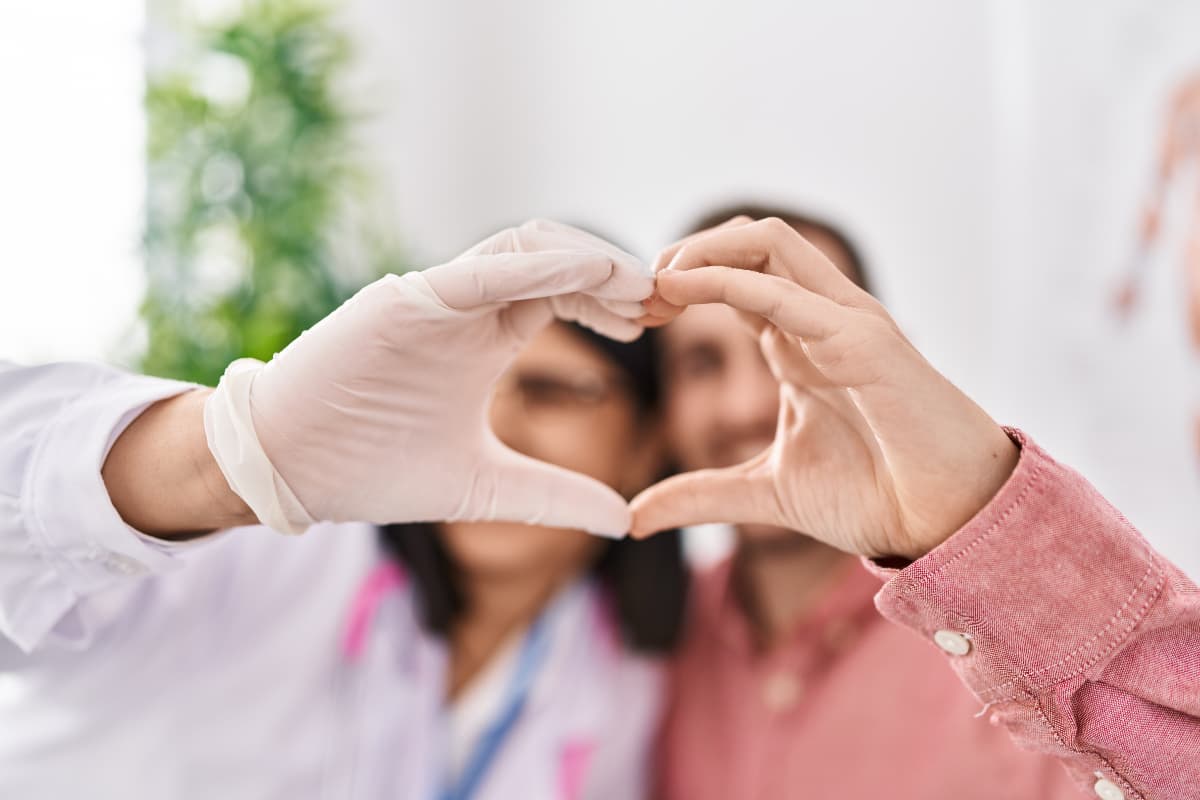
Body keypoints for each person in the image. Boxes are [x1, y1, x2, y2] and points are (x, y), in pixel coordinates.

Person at [0, 221, 686, 799]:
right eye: (474, 389)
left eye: (551, 391)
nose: (496, 426)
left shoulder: (621, 685)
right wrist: (237, 454)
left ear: (647, 442)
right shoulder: (271, 550)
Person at [637, 214, 1200, 800]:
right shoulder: (642, 646)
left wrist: (984, 518)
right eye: (702, 362)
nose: (747, 406)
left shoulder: (1004, 665)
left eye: (793, 343)